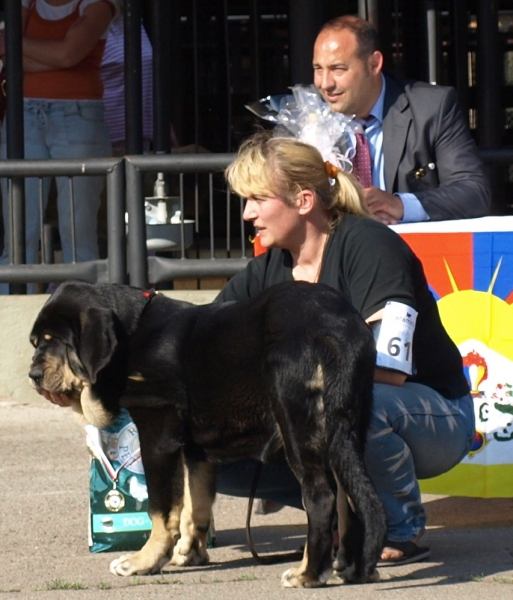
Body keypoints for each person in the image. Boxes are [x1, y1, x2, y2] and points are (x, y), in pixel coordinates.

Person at [212, 132, 475, 566]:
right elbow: (202, 338)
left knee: (353, 403)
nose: (247, 214)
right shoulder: (266, 270)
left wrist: (292, 389)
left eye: (258, 198)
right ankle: (336, 511)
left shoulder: (370, 244)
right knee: (204, 438)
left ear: (303, 200)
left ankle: (396, 527)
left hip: (435, 414)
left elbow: (389, 370)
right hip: (332, 410)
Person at [312, 15, 491, 225]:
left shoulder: (432, 107)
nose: (325, 83)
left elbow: (473, 192)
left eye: (338, 69)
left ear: (374, 63)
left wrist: (401, 205)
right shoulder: (309, 120)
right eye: (318, 69)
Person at [0, 0, 116, 292]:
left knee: (77, 232)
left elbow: (67, 55)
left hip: (75, 114)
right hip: (26, 113)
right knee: (18, 231)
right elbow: (10, 51)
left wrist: (20, 46)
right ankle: (10, 315)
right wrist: (56, 56)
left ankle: (79, 316)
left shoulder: (99, 3)